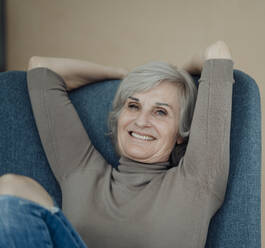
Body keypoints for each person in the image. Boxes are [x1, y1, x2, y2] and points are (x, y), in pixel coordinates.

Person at [0, 41, 234, 248]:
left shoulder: (197, 181)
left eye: (160, 112)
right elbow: (42, 68)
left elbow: (217, 53)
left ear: (181, 132)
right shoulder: (82, 170)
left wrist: (181, 75)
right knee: (13, 186)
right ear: (119, 115)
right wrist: (120, 75)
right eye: (133, 106)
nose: (141, 121)